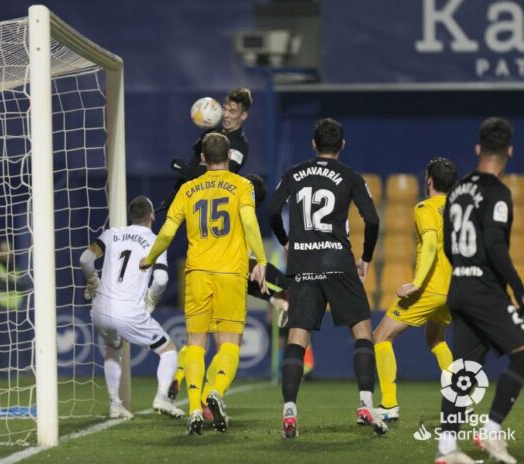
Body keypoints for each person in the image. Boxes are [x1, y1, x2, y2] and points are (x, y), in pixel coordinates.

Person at [140, 133, 267, 435]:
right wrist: (260, 259)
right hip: (230, 273)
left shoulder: (188, 188)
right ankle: (216, 391)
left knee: (195, 344)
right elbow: (249, 223)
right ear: (228, 156)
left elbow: (169, 232)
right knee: (229, 344)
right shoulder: (242, 185)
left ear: (203, 159)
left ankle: (195, 408)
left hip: (197, 273)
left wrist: (150, 257)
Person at [268, 118, 387, 438]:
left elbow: (270, 211)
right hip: (338, 260)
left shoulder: (294, 173)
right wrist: (365, 257)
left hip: (303, 263)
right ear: (342, 146)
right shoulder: (350, 176)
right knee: (363, 332)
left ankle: (289, 412)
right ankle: (365, 404)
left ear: (313, 144)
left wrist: (285, 242)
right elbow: (372, 221)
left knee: (297, 339)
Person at [168, 174, 309, 414]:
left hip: (200, 278)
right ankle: (209, 394)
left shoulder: (213, 194)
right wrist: (281, 284)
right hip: (227, 282)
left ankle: (183, 381)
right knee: (227, 346)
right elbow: (249, 266)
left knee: (196, 342)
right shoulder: (243, 214)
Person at [435, 117, 524, 464]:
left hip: (459, 287)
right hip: (484, 291)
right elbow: (495, 246)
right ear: (510, 152)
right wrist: (518, 290)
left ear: (478, 149)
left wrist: (464, 271)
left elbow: (447, 245)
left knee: (465, 370)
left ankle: (446, 449)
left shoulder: (457, 190)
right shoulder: (499, 193)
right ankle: (491, 428)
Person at [80, 196, 184, 420]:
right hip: (128, 312)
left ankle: (114, 404)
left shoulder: (111, 234)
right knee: (168, 350)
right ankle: (162, 397)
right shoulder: (156, 242)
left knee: (112, 348)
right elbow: (162, 278)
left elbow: (85, 259)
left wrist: (92, 280)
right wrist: (152, 300)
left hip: (99, 309)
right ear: (152, 215)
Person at [373, 158, 458, 422]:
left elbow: (431, 244)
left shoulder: (425, 207)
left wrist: (418, 283)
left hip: (430, 288)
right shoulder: (459, 210)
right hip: (453, 290)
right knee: (436, 340)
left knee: (381, 336)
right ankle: (460, 400)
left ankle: (389, 405)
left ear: (429, 181)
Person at [156, 88, 252, 213]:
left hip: (219, 209)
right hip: (196, 206)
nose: (226, 114)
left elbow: (218, 176)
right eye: (225, 108)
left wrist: (184, 169)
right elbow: (192, 166)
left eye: (232, 111)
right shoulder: (210, 134)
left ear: (243, 115)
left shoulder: (240, 145)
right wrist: (170, 200)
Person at [0, 240, 32, 311]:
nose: (7, 253)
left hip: (16, 309)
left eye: (9, 250)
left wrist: (15, 285)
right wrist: (15, 285)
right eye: (4, 251)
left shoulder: (16, 269)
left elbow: (24, 285)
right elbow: (0, 285)